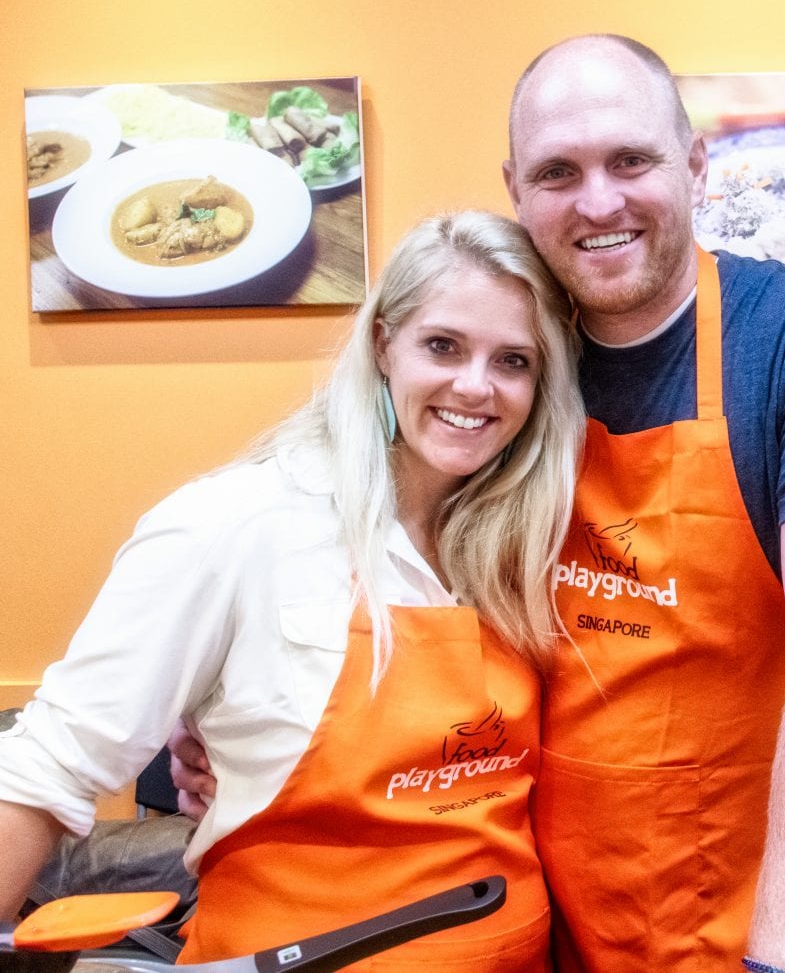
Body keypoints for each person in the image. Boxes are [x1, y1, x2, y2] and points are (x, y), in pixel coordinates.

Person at [176, 34, 785, 972]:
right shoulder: (508, 372)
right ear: (517, 190)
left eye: (631, 160)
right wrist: (225, 703)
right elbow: (383, 555)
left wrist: (783, 965)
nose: (599, 200)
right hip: (546, 923)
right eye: (558, 172)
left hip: (757, 921)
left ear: (695, 165)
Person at [0, 209, 587, 972]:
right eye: (442, 346)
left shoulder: (525, 541)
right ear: (383, 344)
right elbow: (52, 763)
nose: (475, 387)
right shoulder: (239, 525)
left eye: (514, 361)